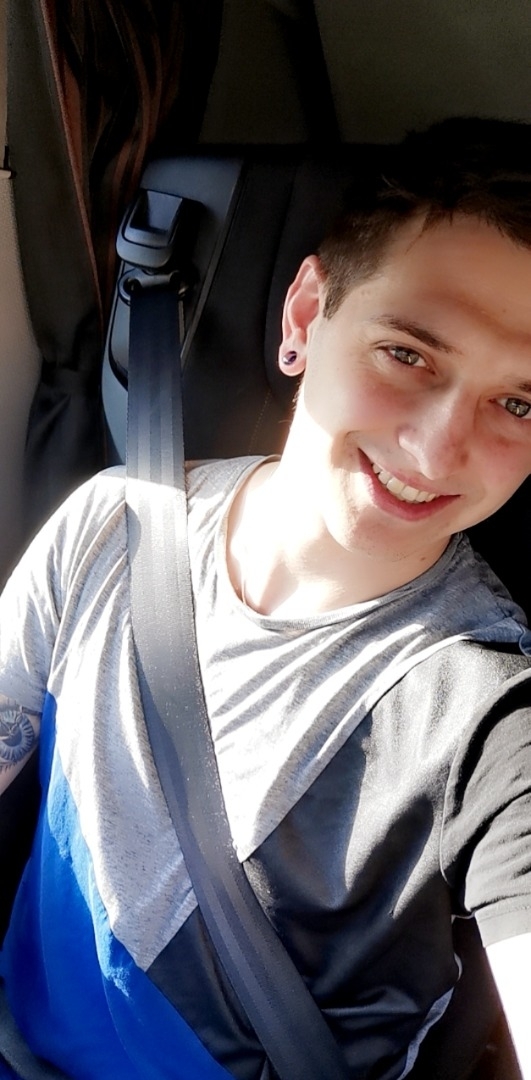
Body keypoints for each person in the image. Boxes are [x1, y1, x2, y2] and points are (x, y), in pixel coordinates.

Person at [2, 118, 531, 1080]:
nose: (434, 449)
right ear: (304, 317)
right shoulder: (108, 527)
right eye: (407, 354)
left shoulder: (492, 714)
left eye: (520, 404)